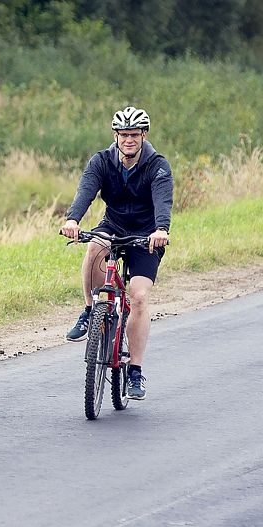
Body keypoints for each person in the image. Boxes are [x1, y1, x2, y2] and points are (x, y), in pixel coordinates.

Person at [60, 106, 173, 400]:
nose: (129, 140)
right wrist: (73, 220)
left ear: (144, 135)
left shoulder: (157, 166)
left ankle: (135, 371)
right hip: (114, 225)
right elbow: (86, 191)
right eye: (124, 135)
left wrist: (161, 229)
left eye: (134, 134)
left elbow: (163, 201)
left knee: (139, 297)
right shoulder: (101, 161)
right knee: (94, 246)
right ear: (116, 136)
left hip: (147, 235)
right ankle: (90, 311)